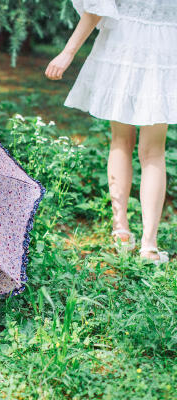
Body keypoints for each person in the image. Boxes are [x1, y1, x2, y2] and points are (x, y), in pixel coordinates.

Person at [44, 0, 177, 265]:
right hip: (166, 44)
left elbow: (97, 6)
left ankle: (121, 231)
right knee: (153, 152)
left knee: (121, 141)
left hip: (123, 42)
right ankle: (149, 246)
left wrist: (68, 52)